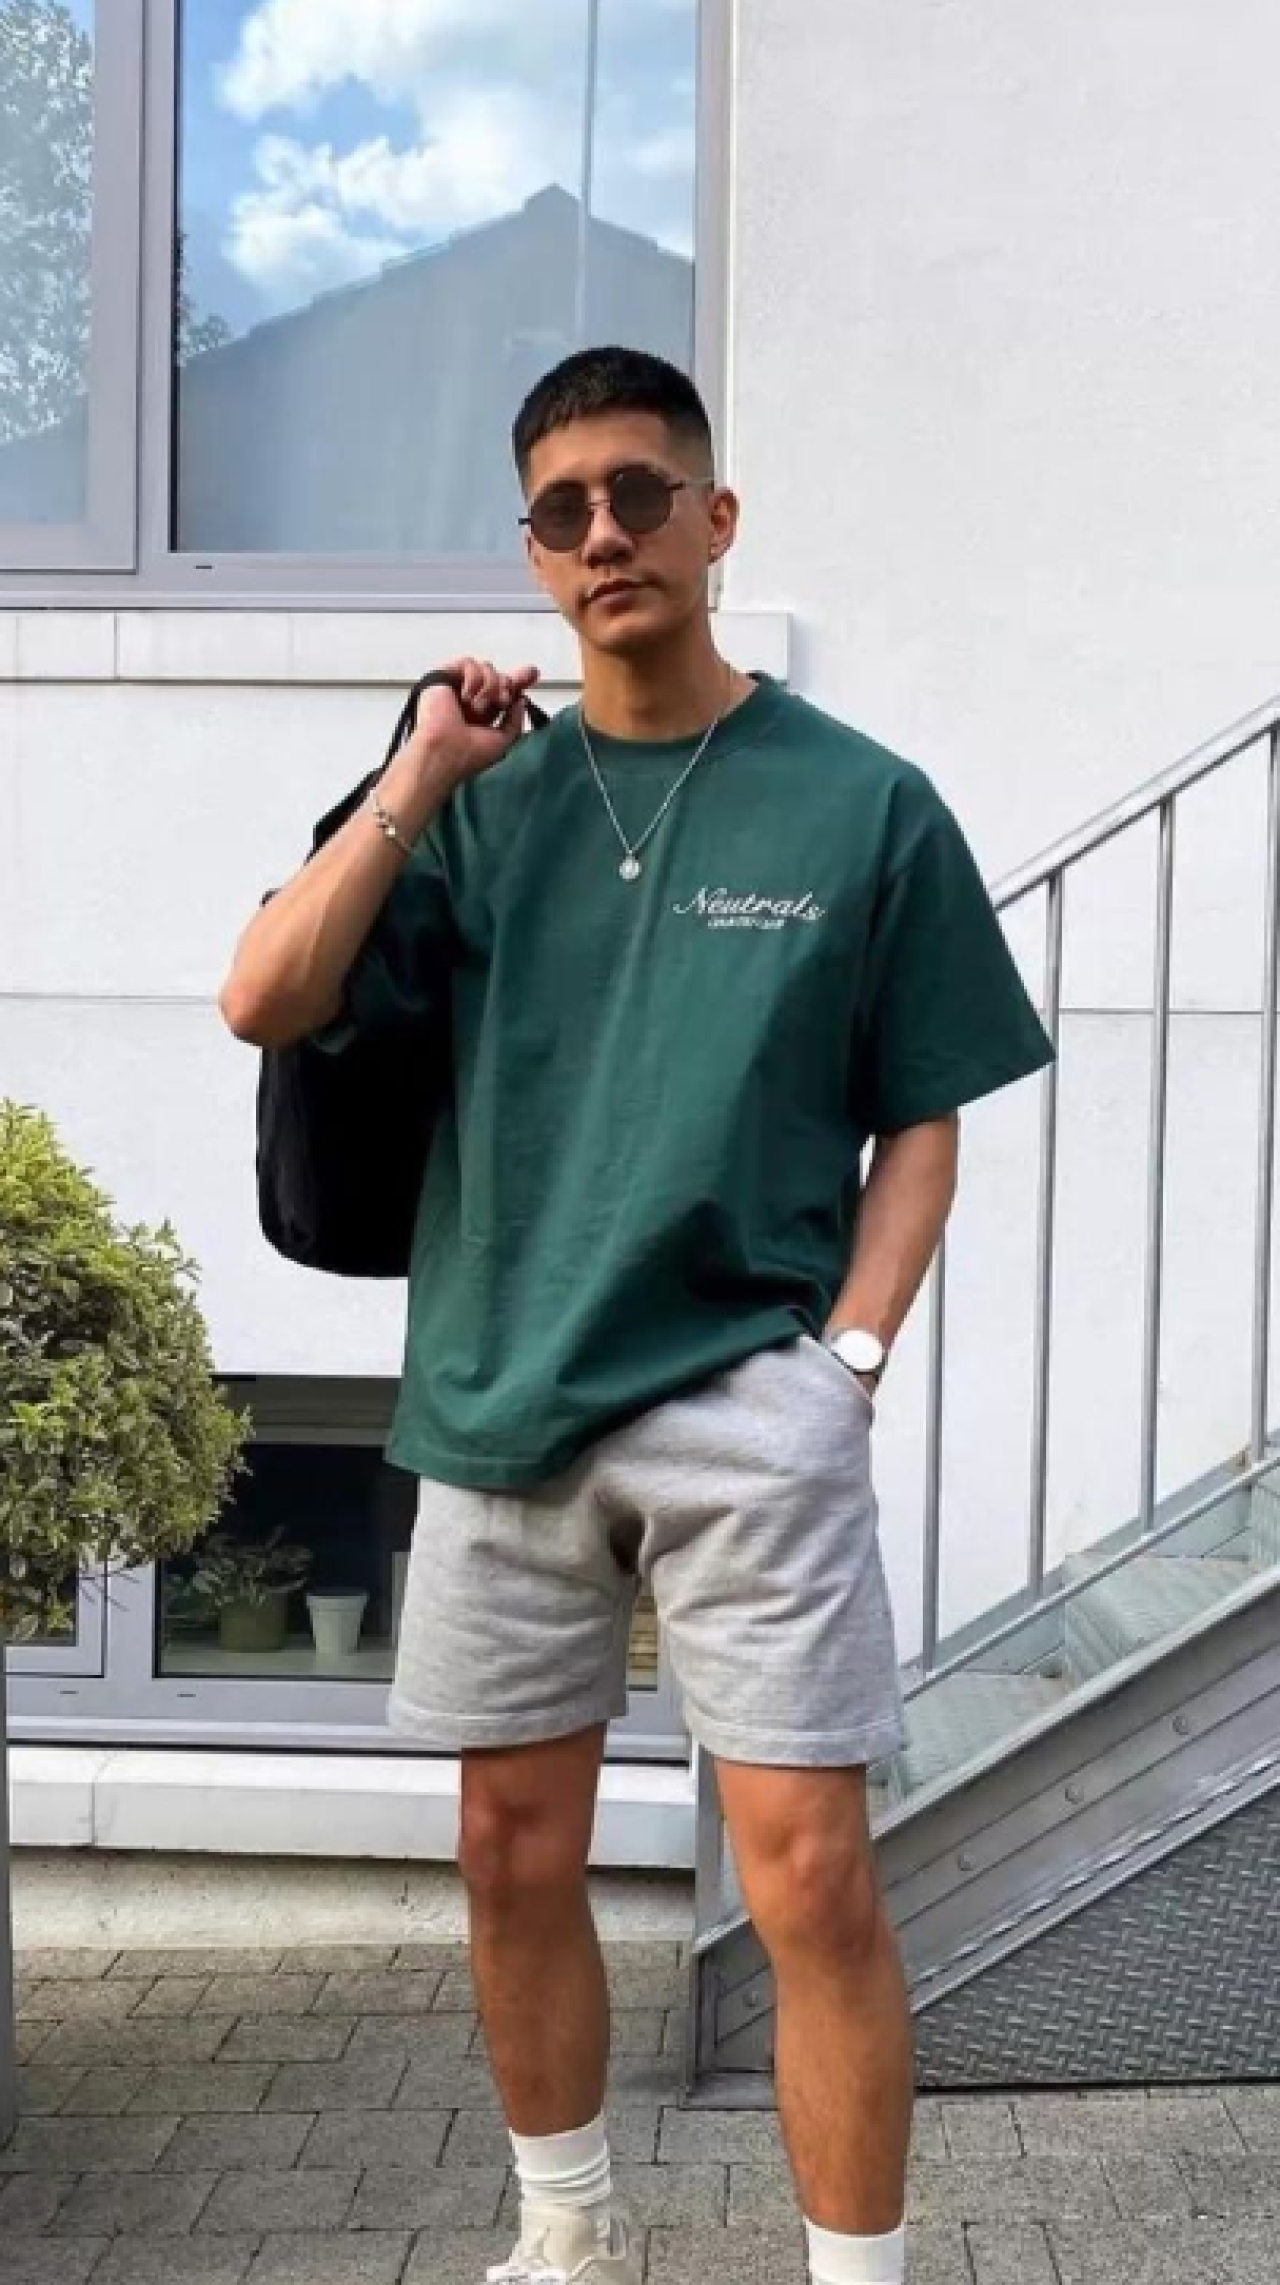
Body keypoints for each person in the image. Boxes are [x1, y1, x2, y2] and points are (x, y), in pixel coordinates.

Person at [219, 346, 1055, 2285]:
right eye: (563, 510)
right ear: (533, 553)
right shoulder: (480, 800)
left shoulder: (861, 804)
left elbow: (922, 1117)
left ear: (714, 517)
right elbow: (265, 994)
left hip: (747, 1397)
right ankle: (568, 2237)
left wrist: (848, 1361)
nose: (606, 533)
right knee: (511, 1855)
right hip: (500, 1389)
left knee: (809, 1876)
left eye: (640, 494)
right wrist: (417, 777)